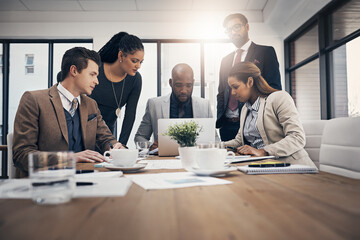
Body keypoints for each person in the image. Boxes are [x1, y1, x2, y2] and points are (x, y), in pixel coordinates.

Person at [13, 47, 124, 178]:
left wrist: (116, 148)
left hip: (87, 181)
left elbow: (106, 139)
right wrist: (70, 158)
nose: (97, 81)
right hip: (45, 185)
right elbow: (21, 155)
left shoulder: (91, 105)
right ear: (74, 70)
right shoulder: (34, 100)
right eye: (92, 74)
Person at [224, 62, 316, 168]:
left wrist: (264, 151)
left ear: (250, 82)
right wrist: (216, 146)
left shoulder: (279, 98)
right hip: (262, 165)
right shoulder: (245, 108)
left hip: (291, 166)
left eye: (235, 87)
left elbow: (297, 137)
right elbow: (239, 141)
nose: (232, 93)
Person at [217, 13, 282, 141]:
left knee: (253, 159)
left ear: (247, 27)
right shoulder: (225, 60)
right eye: (229, 30)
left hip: (253, 123)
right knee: (227, 160)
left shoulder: (265, 52)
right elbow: (222, 92)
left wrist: (260, 117)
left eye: (236, 27)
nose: (233, 32)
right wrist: (221, 118)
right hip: (227, 125)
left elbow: (273, 88)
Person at [134, 63, 213, 150]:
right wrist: (151, 146)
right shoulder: (154, 105)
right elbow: (140, 137)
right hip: (164, 160)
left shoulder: (204, 105)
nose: (183, 90)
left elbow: (214, 140)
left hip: (196, 159)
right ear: (171, 83)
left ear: (193, 83)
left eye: (188, 85)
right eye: (178, 85)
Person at [90, 32, 144, 146]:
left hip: (108, 136)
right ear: (120, 56)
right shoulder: (96, 69)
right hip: (86, 134)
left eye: (140, 62)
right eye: (134, 61)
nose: (138, 66)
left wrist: (121, 146)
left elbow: (130, 115)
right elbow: (64, 76)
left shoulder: (135, 79)